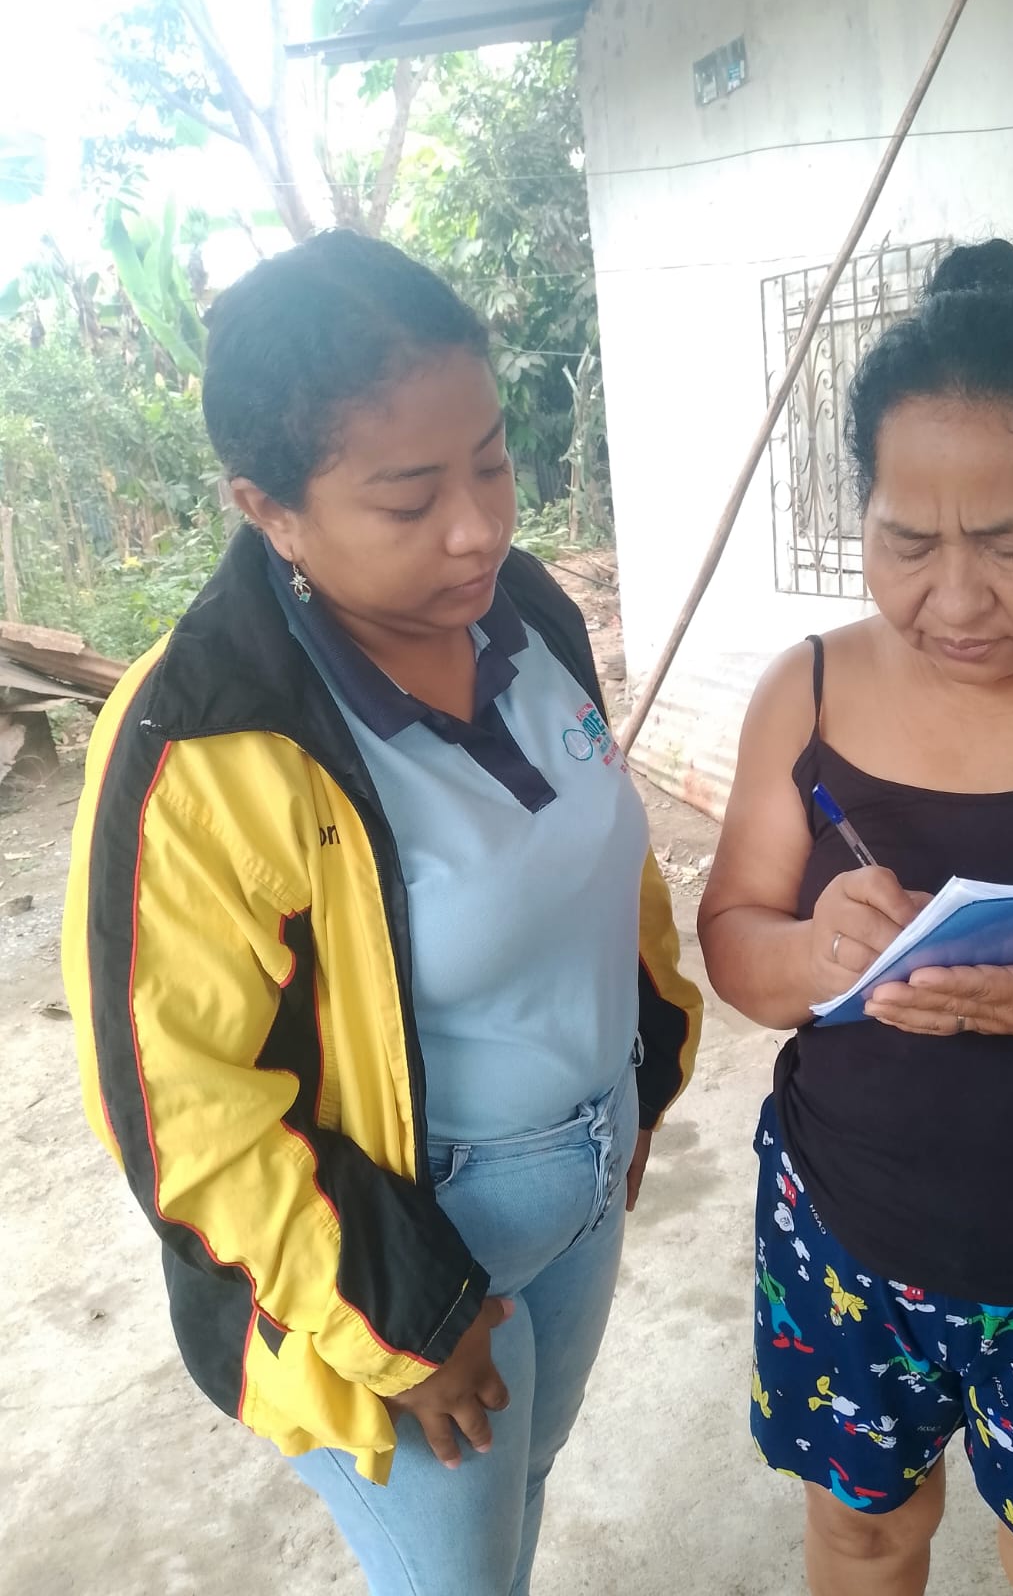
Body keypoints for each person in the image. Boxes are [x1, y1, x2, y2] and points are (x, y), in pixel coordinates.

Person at [63, 229, 701, 1596]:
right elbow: (186, 1113)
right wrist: (404, 1320)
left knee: (524, 1490)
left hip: (585, 1181)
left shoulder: (525, 616)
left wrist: (641, 1080)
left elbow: (602, 861)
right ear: (271, 509)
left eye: (493, 462)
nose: (478, 527)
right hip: (400, 1245)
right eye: (410, 499)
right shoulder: (207, 739)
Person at [699, 238, 1013, 1596]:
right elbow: (734, 936)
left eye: (1012, 543)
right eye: (906, 544)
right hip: (847, 1233)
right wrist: (814, 951)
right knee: (862, 1536)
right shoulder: (806, 691)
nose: (957, 599)